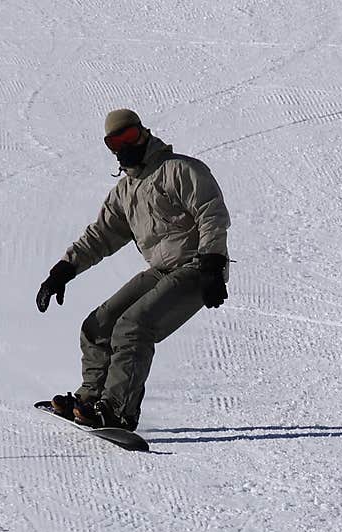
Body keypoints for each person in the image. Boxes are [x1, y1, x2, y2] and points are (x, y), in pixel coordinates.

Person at [36, 108, 231, 431]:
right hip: (161, 271)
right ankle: (91, 399)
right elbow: (100, 236)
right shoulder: (126, 192)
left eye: (130, 136)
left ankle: (119, 410)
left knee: (132, 326)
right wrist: (63, 270)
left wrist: (212, 262)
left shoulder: (179, 170)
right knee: (98, 326)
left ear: (143, 133)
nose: (125, 146)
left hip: (197, 267)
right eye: (116, 141)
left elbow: (211, 213)